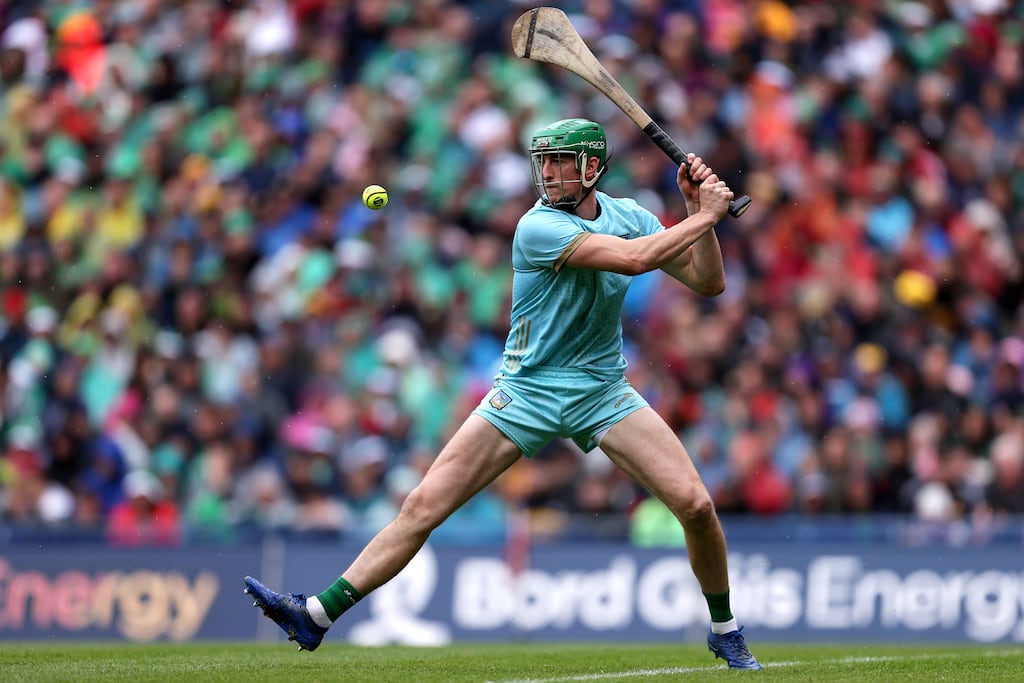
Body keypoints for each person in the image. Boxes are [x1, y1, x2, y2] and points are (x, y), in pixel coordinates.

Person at [243, 118, 762, 670]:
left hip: (602, 389)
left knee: (696, 505)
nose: (548, 173)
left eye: (560, 161)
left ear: (591, 167)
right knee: (422, 506)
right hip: (527, 389)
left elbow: (709, 283)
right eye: (543, 162)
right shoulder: (536, 228)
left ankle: (724, 628)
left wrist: (697, 219)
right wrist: (706, 213)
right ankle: (317, 614)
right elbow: (636, 260)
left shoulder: (630, 216)